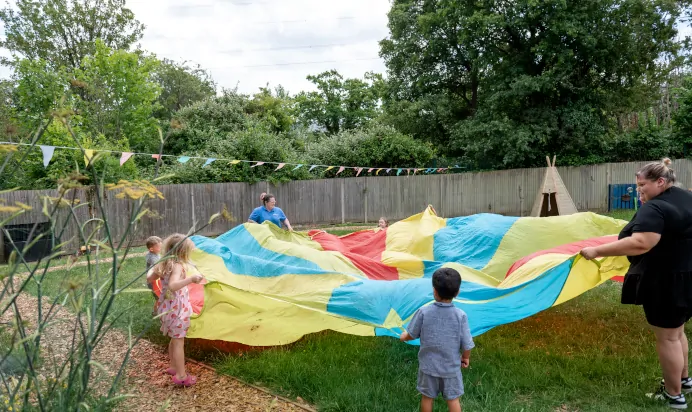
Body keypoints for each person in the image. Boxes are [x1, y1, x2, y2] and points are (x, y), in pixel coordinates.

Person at [580, 158, 692, 410]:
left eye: (643, 185)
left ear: (660, 182)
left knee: (669, 338)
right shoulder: (686, 197)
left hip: (665, 280)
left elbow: (641, 242)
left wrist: (596, 251)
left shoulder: (655, 208)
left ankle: (674, 396)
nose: (639, 190)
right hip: (686, 275)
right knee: (677, 332)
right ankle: (683, 381)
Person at [400, 268, 475, 412]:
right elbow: (467, 343)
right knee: (453, 399)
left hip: (428, 368)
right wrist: (465, 357)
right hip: (451, 369)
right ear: (457, 292)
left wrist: (404, 337)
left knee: (427, 398)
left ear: (434, 291)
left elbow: (412, 334)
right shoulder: (460, 316)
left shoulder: (424, 312)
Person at [147, 233, 204, 387]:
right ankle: (181, 375)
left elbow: (149, 279)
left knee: (173, 338)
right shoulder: (177, 265)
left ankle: (173, 366)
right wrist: (191, 279)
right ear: (182, 252)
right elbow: (173, 285)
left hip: (166, 306)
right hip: (177, 308)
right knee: (179, 341)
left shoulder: (164, 263)